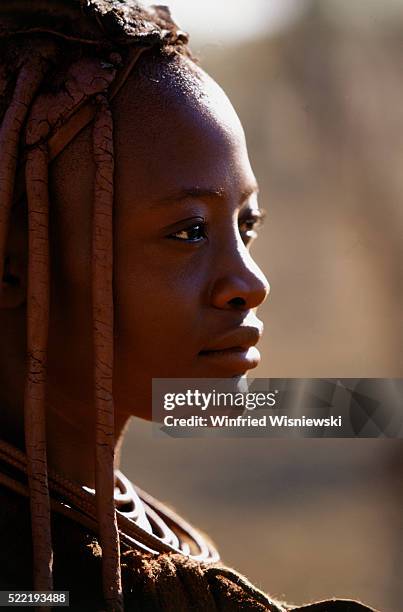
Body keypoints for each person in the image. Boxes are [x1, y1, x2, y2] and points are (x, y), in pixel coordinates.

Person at [0, 1, 376, 610]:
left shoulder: (138, 537)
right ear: (12, 265)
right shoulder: (28, 581)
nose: (249, 284)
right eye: (189, 231)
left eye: (245, 228)